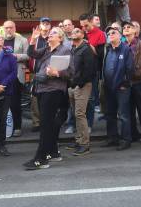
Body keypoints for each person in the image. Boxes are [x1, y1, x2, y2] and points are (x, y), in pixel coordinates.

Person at [25, 26, 72, 170]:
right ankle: (53, 152)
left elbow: (71, 72)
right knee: (48, 123)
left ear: (60, 38)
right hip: (42, 88)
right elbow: (32, 53)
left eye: (54, 33)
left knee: (45, 124)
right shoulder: (46, 49)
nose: (50, 35)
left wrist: (57, 73)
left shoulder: (65, 50)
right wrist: (33, 39)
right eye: (50, 33)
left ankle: (41, 159)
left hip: (54, 90)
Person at [102, 25, 134, 150]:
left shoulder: (125, 49)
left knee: (123, 115)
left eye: (113, 32)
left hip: (121, 88)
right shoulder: (108, 49)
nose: (110, 35)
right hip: (109, 87)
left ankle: (126, 140)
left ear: (120, 35)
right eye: (109, 33)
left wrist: (125, 84)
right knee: (110, 114)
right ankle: (112, 138)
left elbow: (130, 68)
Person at [67, 27, 96, 156]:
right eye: (73, 32)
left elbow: (90, 70)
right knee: (76, 113)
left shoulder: (86, 49)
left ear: (83, 34)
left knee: (80, 113)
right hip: (72, 85)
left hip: (82, 86)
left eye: (77, 31)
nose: (74, 33)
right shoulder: (73, 48)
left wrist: (78, 83)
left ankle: (85, 144)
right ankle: (79, 140)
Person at [2, 20, 29, 137]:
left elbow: (28, 55)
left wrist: (15, 56)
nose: (9, 30)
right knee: (2, 103)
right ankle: (5, 127)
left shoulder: (22, 40)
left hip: (17, 75)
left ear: (15, 28)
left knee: (15, 103)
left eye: (11, 27)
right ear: (4, 28)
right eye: (7, 28)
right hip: (2, 76)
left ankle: (17, 126)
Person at [30, 16, 53, 133]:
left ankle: (46, 122)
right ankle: (36, 122)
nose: (46, 25)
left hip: (50, 73)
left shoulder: (53, 37)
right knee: (35, 99)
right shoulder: (35, 38)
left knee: (47, 99)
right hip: (36, 72)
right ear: (39, 25)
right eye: (44, 23)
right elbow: (29, 53)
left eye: (48, 23)